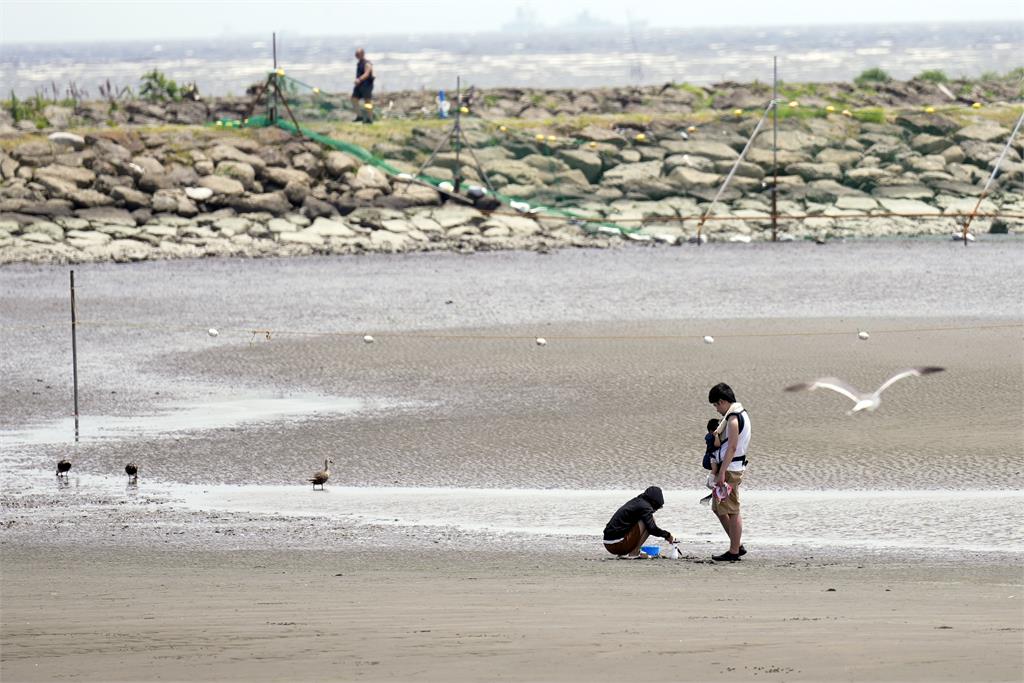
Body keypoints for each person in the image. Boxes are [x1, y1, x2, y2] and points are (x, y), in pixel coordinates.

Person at [708, 383, 751, 562]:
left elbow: (732, 447)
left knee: (732, 510)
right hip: (732, 467)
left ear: (723, 401)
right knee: (718, 507)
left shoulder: (733, 418)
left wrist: (722, 472)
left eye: (717, 405)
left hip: (731, 469)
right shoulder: (741, 414)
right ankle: (736, 544)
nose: (717, 410)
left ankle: (734, 550)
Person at [602, 486, 675, 558]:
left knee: (645, 521)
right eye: (657, 507)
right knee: (649, 522)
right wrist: (667, 535)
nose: (655, 510)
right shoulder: (645, 507)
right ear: (654, 502)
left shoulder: (637, 502)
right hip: (617, 544)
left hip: (608, 543)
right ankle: (634, 552)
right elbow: (652, 529)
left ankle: (626, 552)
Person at [352, 48, 375, 123]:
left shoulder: (367, 63)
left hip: (366, 85)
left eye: (358, 54)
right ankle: (359, 116)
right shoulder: (359, 63)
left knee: (367, 101)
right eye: (356, 54)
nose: (357, 56)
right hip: (359, 85)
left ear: (362, 54)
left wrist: (359, 79)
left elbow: (367, 73)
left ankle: (369, 118)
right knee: (354, 99)